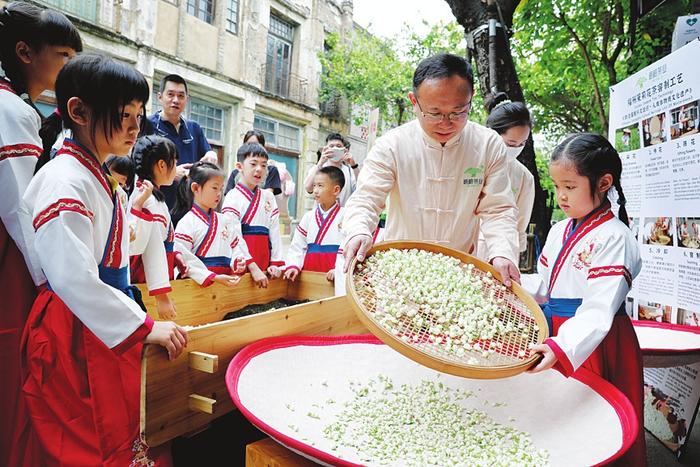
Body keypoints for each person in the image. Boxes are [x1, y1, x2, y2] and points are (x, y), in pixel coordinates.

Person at [22, 53, 187, 466]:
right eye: (123, 114)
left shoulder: (94, 174)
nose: (135, 126)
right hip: (74, 328)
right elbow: (73, 277)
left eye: (137, 113)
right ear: (78, 111)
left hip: (99, 320)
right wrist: (145, 325)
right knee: (89, 439)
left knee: (123, 430)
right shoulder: (66, 180)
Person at [342, 53, 520, 286]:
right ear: (414, 102)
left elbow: (498, 209)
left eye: (458, 112)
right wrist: (359, 231)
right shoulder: (392, 145)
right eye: (434, 113)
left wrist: (503, 253)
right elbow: (366, 198)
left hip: (460, 270)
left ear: (471, 98)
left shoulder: (488, 144)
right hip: (400, 270)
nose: (446, 123)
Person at [527, 133, 645, 466]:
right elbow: (547, 284)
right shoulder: (559, 230)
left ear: (604, 182)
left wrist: (559, 347)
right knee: (561, 426)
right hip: (560, 332)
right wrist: (511, 286)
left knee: (593, 429)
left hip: (594, 339)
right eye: (557, 187)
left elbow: (598, 308)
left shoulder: (615, 237)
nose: (561, 196)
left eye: (570, 186)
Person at [0, 3, 82, 465]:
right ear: (26, 52)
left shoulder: (18, 106)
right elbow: (18, 208)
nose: (69, 66)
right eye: (64, 54)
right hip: (13, 259)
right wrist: (48, 279)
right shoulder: (11, 110)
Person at [128, 136, 188, 319]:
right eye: (174, 161)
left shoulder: (149, 195)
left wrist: (175, 255)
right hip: (146, 279)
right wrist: (161, 296)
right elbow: (151, 250)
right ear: (162, 165)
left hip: (152, 277)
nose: (176, 167)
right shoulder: (148, 199)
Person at [144, 74, 218, 220]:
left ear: (187, 99)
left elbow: (207, 152)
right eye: (170, 94)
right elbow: (138, 164)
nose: (175, 100)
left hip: (189, 209)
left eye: (180, 96)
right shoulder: (147, 125)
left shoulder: (194, 128)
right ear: (160, 97)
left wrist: (211, 154)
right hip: (155, 205)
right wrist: (169, 173)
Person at [476, 93, 535, 259]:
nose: (516, 149)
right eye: (510, 144)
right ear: (491, 134)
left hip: (501, 255)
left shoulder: (524, 177)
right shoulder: (469, 164)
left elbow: (519, 225)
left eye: (522, 144)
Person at [172, 160, 245, 287]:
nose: (219, 194)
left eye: (221, 188)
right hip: (196, 286)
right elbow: (184, 259)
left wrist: (237, 261)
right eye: (214, 187)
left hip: (225, 283)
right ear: (195, 188)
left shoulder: (225, 221)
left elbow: (235, 247)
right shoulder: (187, 223)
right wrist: (212, 277)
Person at [222, 143, 285, 288]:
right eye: (253, 164)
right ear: (239, 166)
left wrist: (276, 262)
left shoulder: (268, 197)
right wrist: (252, 266)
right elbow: (233, 235)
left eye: (264, 165)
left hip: (264, 258)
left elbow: (274, 232)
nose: (259, 169)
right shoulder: (232, 197)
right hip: (241, 261)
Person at [284, 166, 345, 283]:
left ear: (336, 190)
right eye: (314, 185)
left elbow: (348, 248)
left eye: (320, 186)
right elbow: (298, 245)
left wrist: (339, 269)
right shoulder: (308, 217)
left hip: (333, 276)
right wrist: (294, 265)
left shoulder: (346, 216)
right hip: (308, 274)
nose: (315, 190)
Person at [304, 133, 358, 206]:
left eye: (338, 146)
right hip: (320, 216)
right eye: (331, 146)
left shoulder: (350, 171)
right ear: (325, 149)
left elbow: (360, 188)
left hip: (343, 216)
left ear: (344, 150)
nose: (335, 148)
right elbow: (308, 188)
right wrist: (320, 162)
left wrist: (353, 165)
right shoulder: (318, 168)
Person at [224, 130, 282, 196]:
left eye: (256, 144)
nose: (252, 148)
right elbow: (229, 196)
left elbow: (268, 196)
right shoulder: (235, 173)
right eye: (249, 144)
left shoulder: (271, 170)